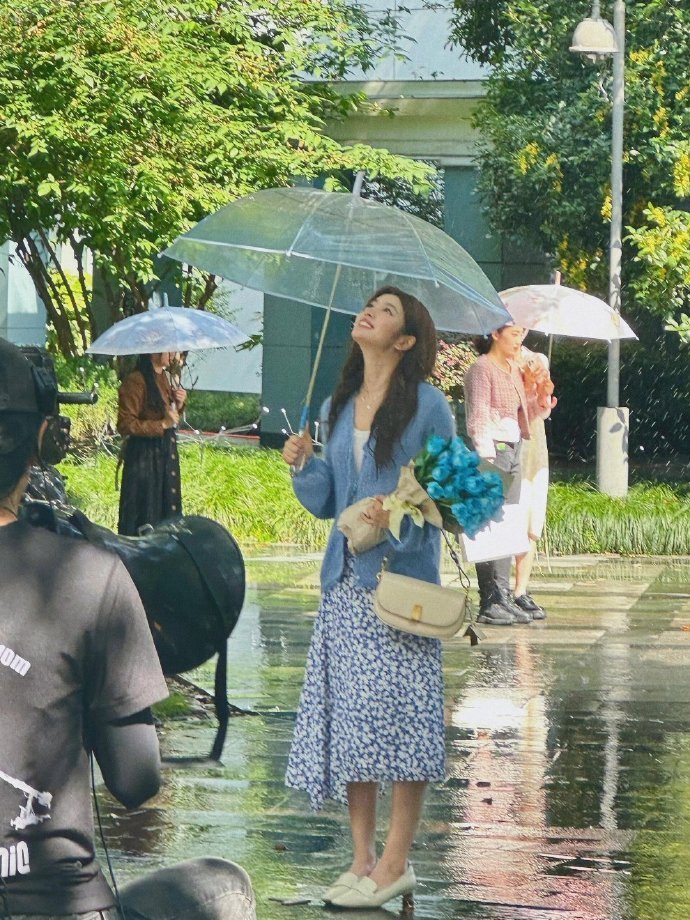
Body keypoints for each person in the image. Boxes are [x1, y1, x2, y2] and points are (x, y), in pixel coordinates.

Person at [0, 338, 255, 919]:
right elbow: (137, 780)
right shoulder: (87, 578)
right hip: (53, 903)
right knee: (223, 887)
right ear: (42, 440)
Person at [281, 287, 455, 911]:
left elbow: (450, 491)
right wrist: (303, 464)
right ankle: (360, 860)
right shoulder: (341, 403)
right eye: (370, 306)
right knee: (353, 723)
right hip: (344, 588)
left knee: (406, 724)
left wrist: (400, 511)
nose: (369, 313)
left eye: (386, 311)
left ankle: (395, 864)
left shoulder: (429, 407)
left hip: (400, 588)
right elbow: (328, 500)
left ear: (404, 341)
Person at [464, 323, 555, 626]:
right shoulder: (482, 368)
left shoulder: (512, 369)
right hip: (494, 450)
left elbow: (522, 414)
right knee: (489, 523)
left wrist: (540, 402)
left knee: (507, 524)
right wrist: (485, 454)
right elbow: (478, 415)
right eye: (514, 334)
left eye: (521, 335)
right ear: (495, 334)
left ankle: (502, 595)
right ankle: (489, 598)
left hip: (514, 447)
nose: (519, 341)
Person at [116, 352, 186, 536]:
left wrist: (178, 405)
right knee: (146, 513)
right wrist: (162, 424)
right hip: (144, 459)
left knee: (166, 513)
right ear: (155, 350)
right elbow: (125, 424)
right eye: (169, 348)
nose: (175, 354)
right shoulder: (136, 381)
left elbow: (166, 415)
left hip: (164, 455)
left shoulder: (164, 378)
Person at [513, 344, 556, 618]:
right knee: (507, 515)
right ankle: (496, 590)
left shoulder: (536, 359)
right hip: (506, 442)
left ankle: (521, 590)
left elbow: (544, 411)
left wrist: (542, 396)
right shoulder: (493, 362)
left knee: (531, 514)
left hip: (533, 446)